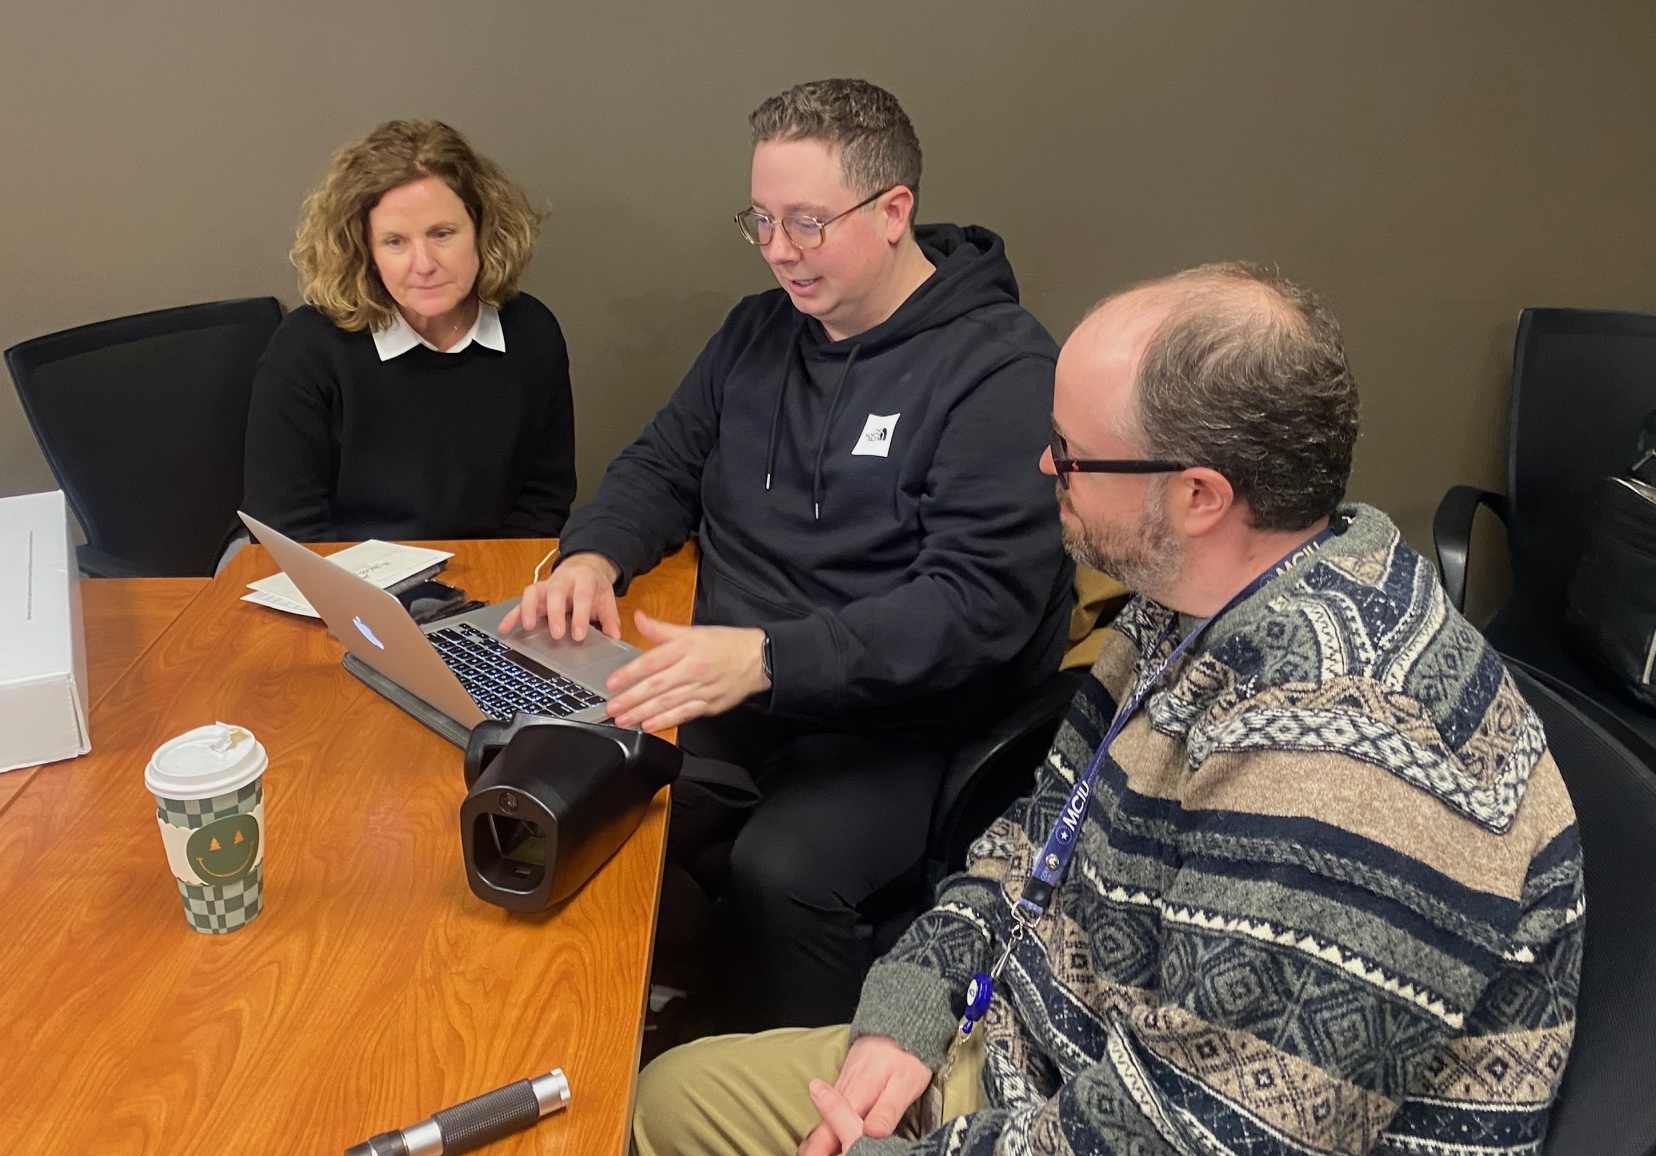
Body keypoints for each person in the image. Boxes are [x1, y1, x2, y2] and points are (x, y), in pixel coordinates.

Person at [632, 262, 1583, 1156]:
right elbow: (1043, 833)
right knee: (664, 1100)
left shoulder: (1352, 769)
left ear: (1200, 495)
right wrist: (910, 1011)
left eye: (1074, 455)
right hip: (1049, 1052)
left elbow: (1210, 1131)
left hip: (1145, 1118)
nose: (1045, 468)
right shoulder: (1190, 602)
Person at [501, 79, 1074, 1031]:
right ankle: (647, 1043)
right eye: (760, 219)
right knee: (570, 810)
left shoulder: (1000, 370)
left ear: (894, 212)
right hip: (730, 692)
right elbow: (662, 462)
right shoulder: (757, 331)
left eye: (805, 222)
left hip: (899, 720)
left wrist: (766, 658)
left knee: (783, 874)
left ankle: (791, 1083)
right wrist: (591, 557)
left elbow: (975, 607)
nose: (777, 251)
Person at [243, 119, 575, 542]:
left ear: (483, 229)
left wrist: (482, 591)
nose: (423, 264)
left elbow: (544, 499)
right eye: (395, 242)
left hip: (485, 585)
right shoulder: (307, 349)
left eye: (442, 234)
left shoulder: (532, 333)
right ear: (365, 250)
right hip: (346, 585)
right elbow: (285, 529)